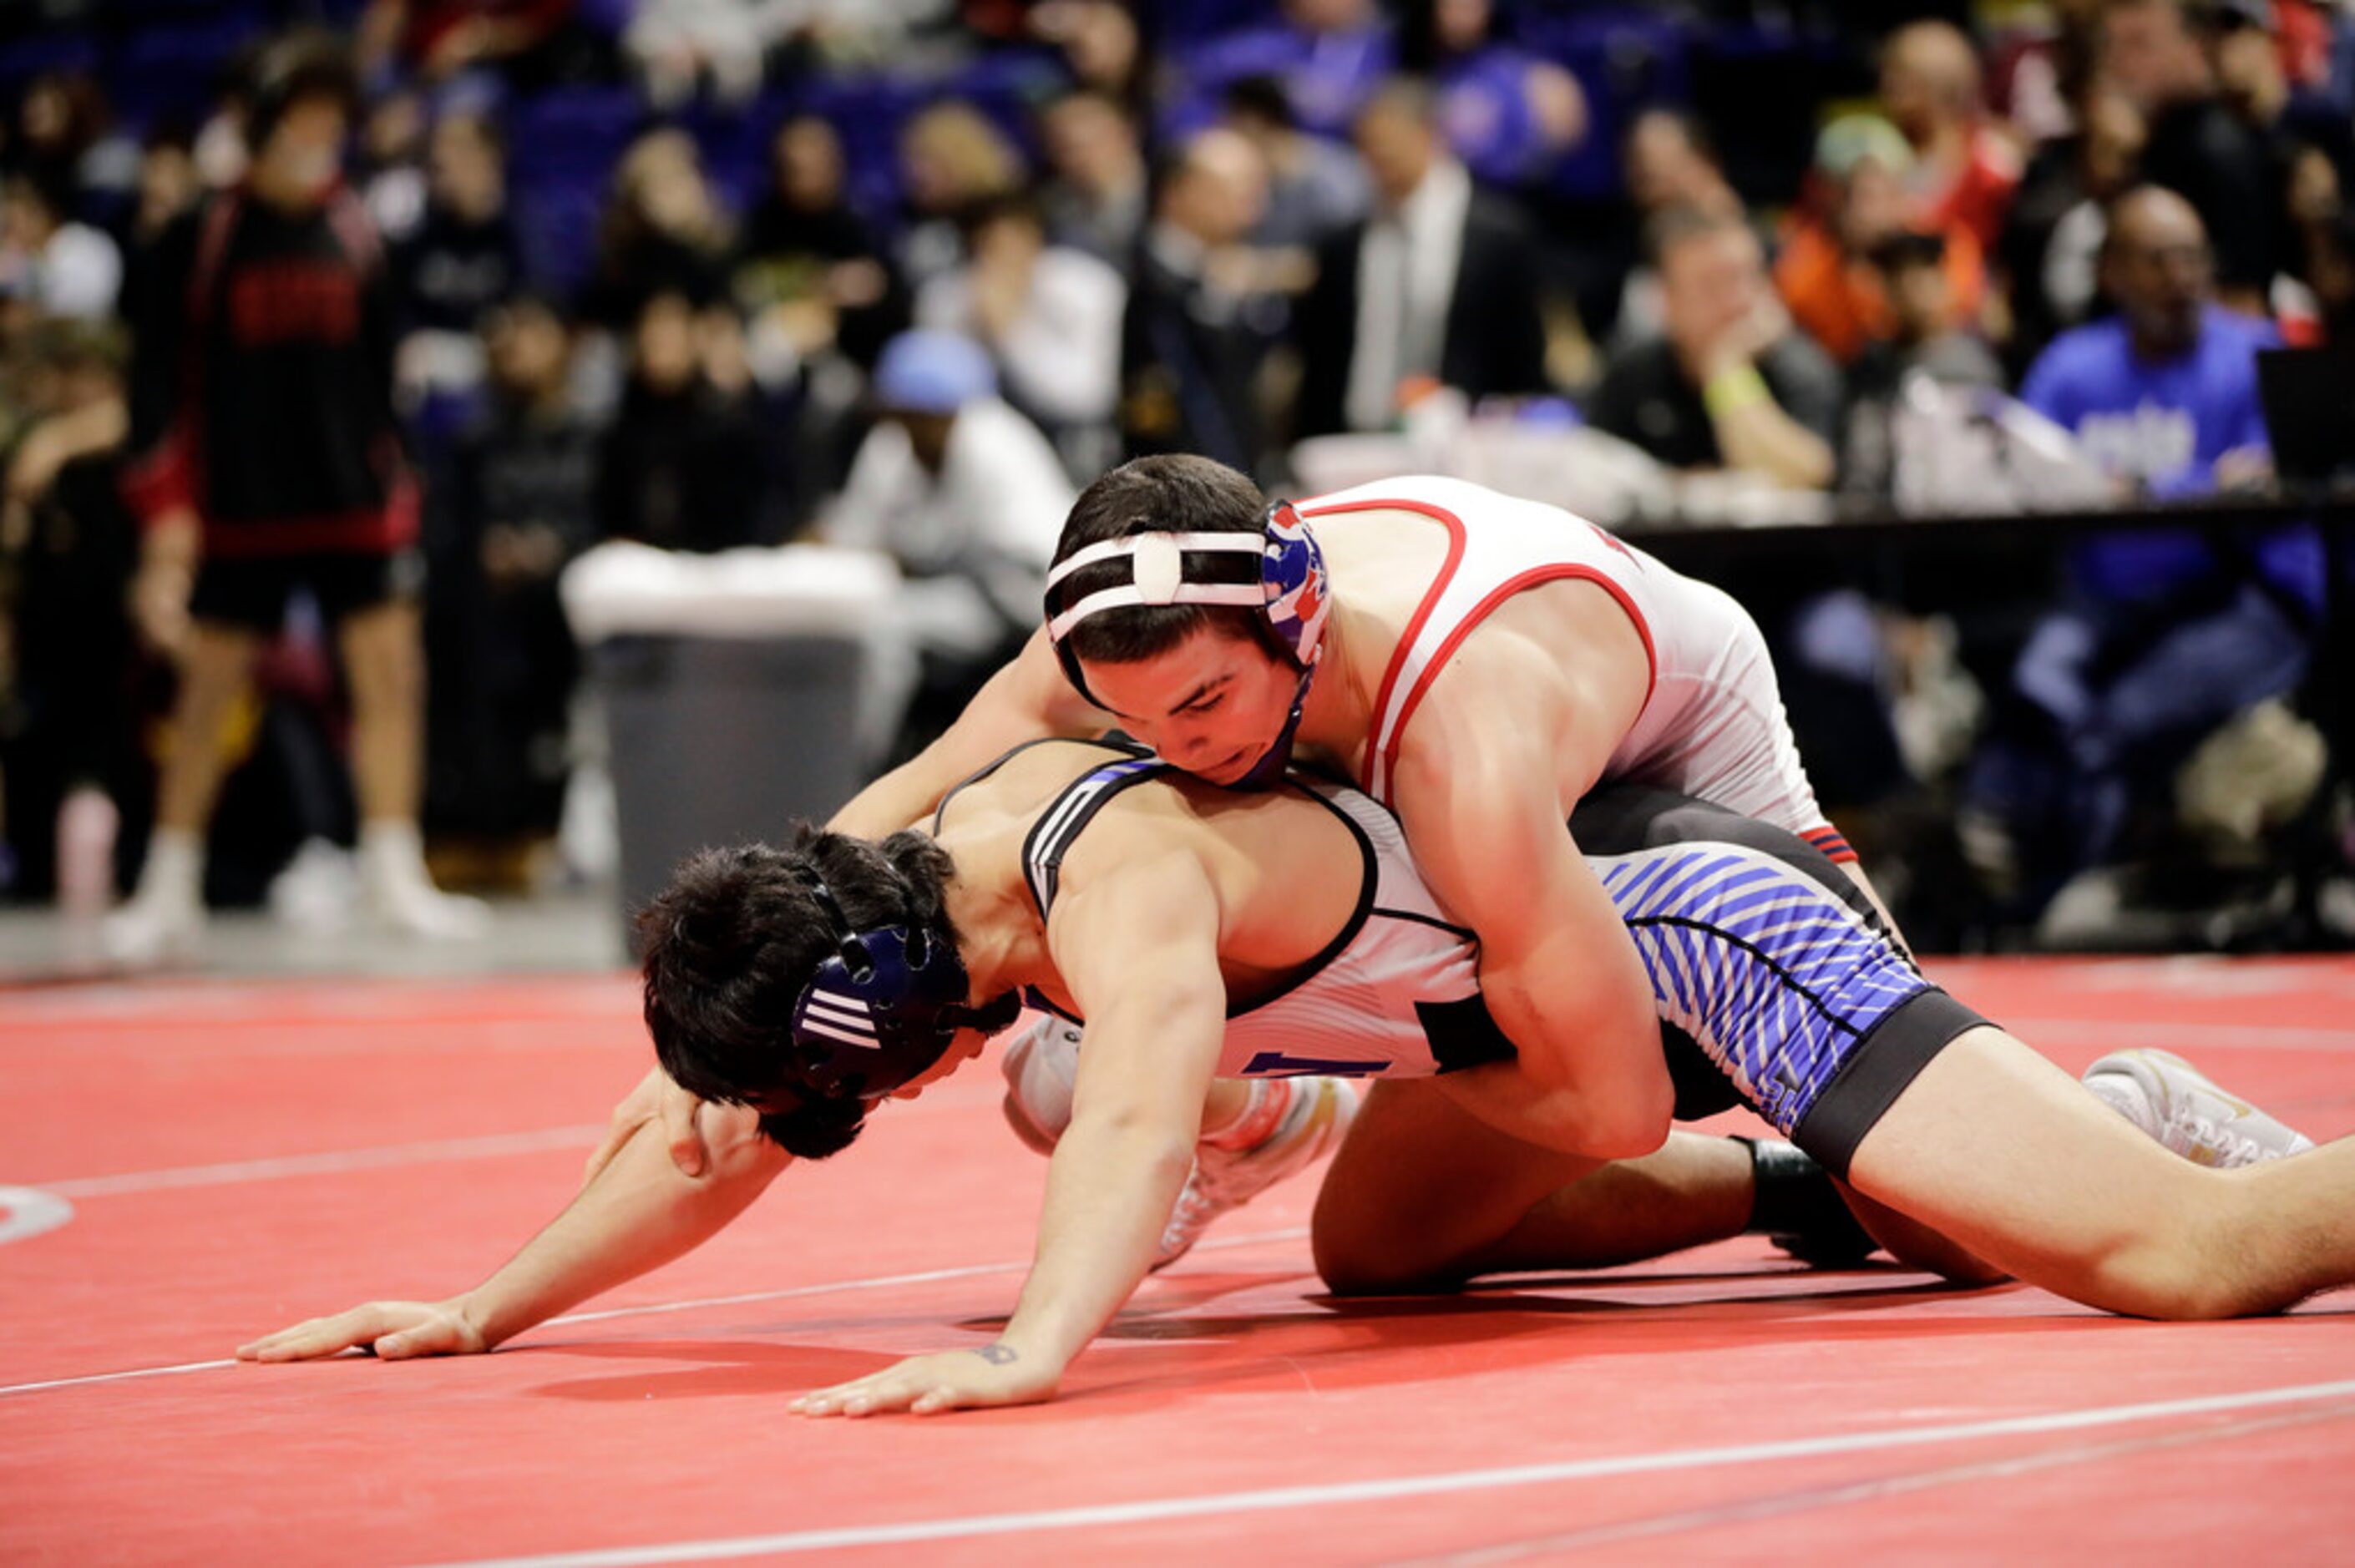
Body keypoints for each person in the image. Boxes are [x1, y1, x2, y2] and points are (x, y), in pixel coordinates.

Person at [241, 746, 2326, 1416]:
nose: (865, 1120)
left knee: (2183, 1261)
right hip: (1528, 1019)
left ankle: (2104, 1160)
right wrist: (478, 1307)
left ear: (895, 995)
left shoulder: (1093, 875)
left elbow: (1141, 1109)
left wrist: (1027, 1356)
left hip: (1690, 929)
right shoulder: (906, 900)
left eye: (861, 1092)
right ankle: (1855, 1189)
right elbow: (714, 1135)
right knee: (1377, 1248)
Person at [610, 454, 1892, 1178]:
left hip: (1671, 708)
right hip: (1386, 712)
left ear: (1293, 617)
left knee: (1913, 1195)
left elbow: (1620, 1114)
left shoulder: (1459, 752)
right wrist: (750, 964)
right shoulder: (1141, 643)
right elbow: (907, 807)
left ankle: (2098, 1112)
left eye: (1206, 701)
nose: (1182, 750)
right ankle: (1773, 1199)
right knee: (1382, 1248)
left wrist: (1337, 1062)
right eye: (1143, 720)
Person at [103, 37, 485, 965]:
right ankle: (169, 882)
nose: (320, 131)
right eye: (303, 112)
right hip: (242, 503)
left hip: (353, 500)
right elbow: (156, 385)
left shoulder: (358, 230)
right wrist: (167, 513)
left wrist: (393, 481)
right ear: (263, 124)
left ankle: (396, 871)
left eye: (330, 114)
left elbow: (379, 375)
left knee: (392, 678)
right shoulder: (201, 236)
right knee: (207, 692)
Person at [1294, 78, 1549, 438]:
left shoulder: (1499, 236)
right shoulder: (1342, 242)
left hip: (1461, 443)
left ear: (1430, 135)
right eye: (1369, 147)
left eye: (1391, 144)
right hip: (1351, 440)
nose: (1380, 157)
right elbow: (1321, 357)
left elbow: (1524, 357)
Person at [1589, 205, 1845, 491]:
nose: (1736, 300)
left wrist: (1726, 369)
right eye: (1710, 285)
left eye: (1746, 278)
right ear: (1665, 300)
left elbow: (1805, 480)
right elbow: (1595, 480)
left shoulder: (1800, 365)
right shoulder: (1631, 374)